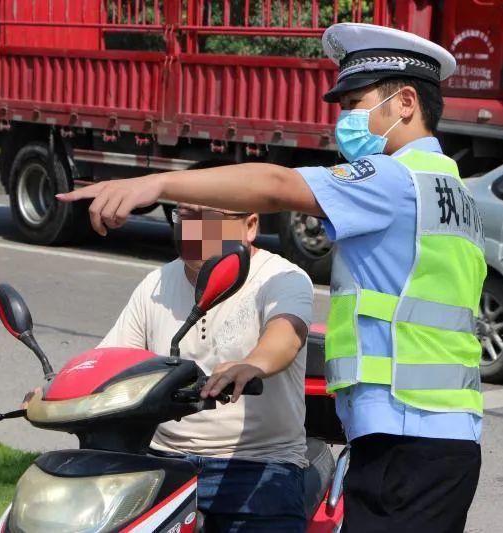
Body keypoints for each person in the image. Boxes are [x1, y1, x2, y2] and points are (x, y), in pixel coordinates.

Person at [58, 22, 486, 533]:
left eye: (356, 101)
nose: (345, 118)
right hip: (440, 432)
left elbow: (276, 184)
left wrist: (158, 182)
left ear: (406, 103)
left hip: (405, 433)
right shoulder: (452, 191)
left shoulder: (395, 179)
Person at [27, 203, 314, 532]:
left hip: (258, 464)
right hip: (163, 462)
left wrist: (254, 364)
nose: (193, 228)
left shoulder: (283, 278)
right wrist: (56, 390)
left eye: (208, 217)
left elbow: (286, 336)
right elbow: (110, 358)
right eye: (185, 215)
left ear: (250, 226)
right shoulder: (156, 284)